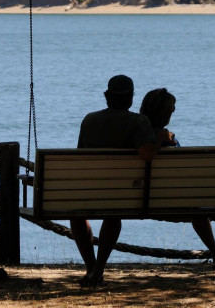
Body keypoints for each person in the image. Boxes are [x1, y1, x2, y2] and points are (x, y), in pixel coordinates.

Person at [71, 75, 166, 287]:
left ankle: (91, 268)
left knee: (76, 215)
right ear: (131, 99)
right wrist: (160, 137)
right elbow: (147, 154)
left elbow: (80, 156)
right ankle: (99, 269)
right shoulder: (138, 121)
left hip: (88, 191)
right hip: (122, 194)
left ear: (107, 97)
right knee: (113, 212)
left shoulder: (89, 120)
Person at [139, 87, 215, 269]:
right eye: (172, 108)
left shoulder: (135, 140)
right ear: (167, 113)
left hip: (132, 200)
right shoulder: (169, 141)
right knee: (196, 206)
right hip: (174, 200)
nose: (175, 110)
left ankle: (96, 265)